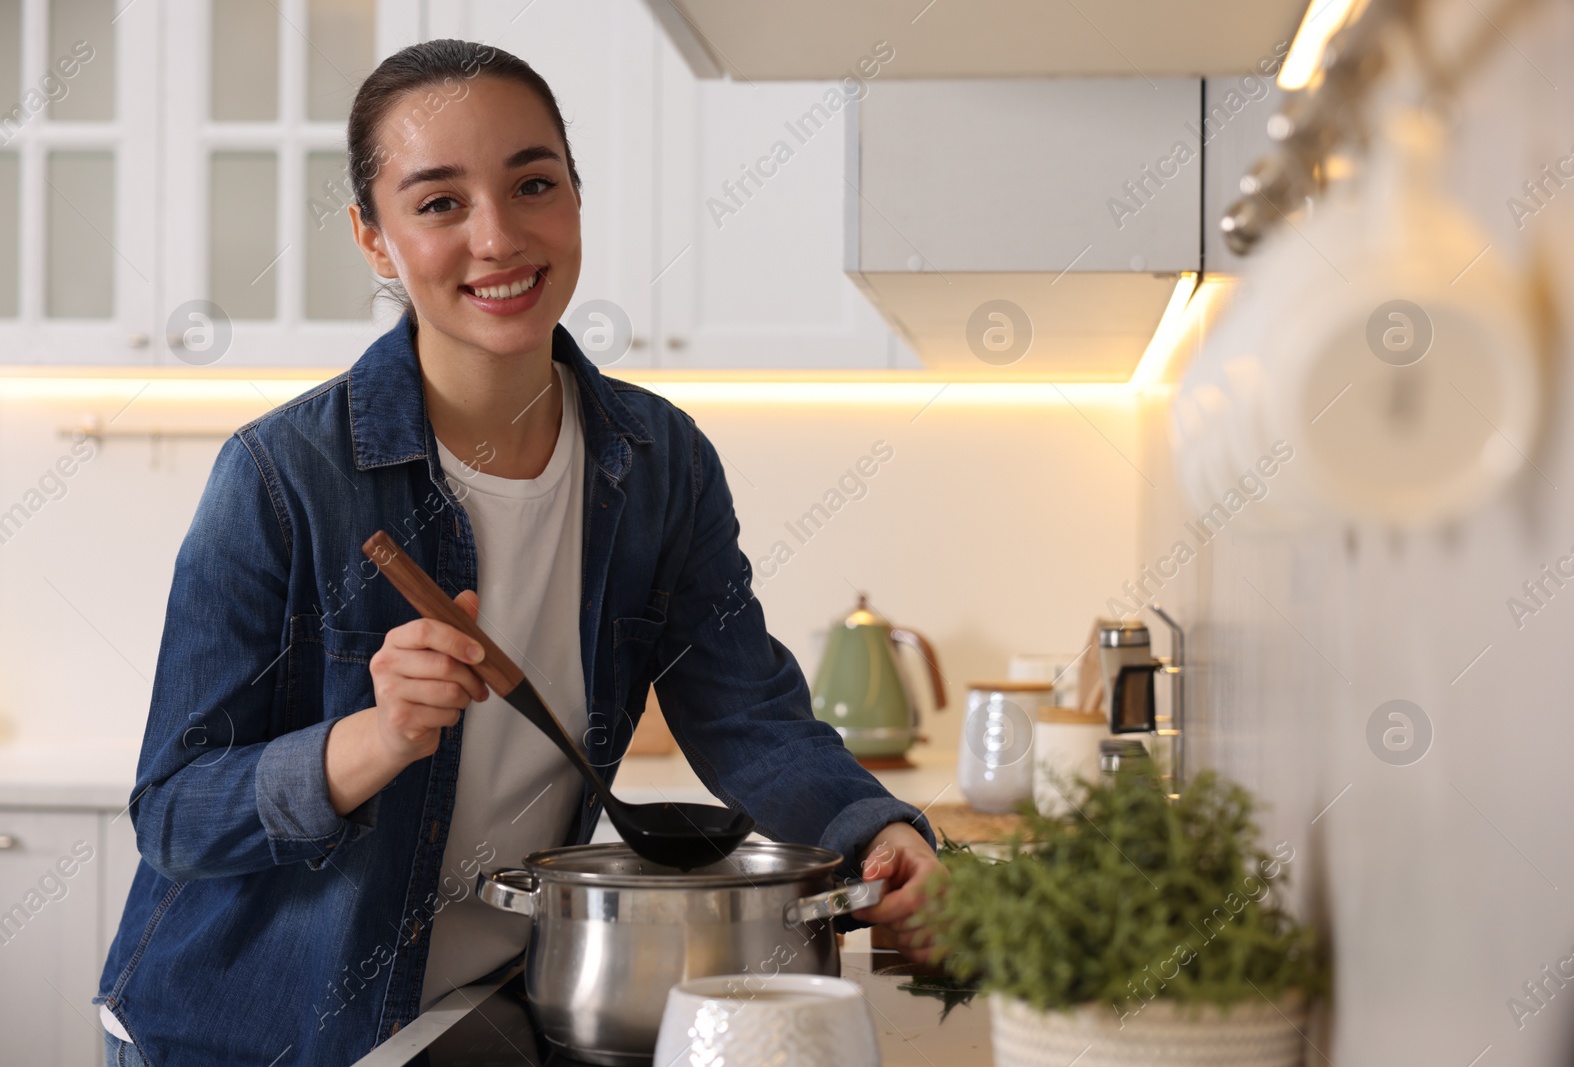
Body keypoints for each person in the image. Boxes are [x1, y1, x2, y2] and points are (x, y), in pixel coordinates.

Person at [95, 39, 941, 1067]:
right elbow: (175, 812)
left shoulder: (658, 463)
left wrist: (874, 828)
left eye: (532, 183)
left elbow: (748, 716)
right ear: (374, 239)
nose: (497, 237)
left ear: (575, 201)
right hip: (247, 1034)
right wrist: (374, 737)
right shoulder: (280, 476)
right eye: (439, 202)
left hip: (480, 1005)